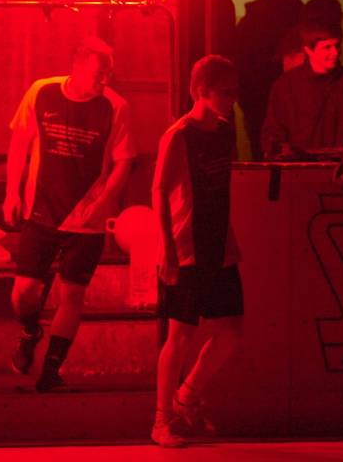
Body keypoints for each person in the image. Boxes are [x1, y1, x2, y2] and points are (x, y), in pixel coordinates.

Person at [2, 36, 136, 392]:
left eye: (108, 73)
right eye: (98, 73)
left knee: (73, 293)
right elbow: (19, 143)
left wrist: (106, 199)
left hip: (87, 218)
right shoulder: (41, 92)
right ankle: (30, 331)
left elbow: (124, 161)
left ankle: (51, 369)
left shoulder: (115, 106)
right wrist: (11, 192)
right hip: (41, 208)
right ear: (76, 67)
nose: (104, 80)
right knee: (24, 291)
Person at [151, 55, 243, 447]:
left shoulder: (225, 130)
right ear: (201, 91)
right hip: (188, 245)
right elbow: (157, 189)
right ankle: (161, 420)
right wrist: (167, 248)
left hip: (220, 244)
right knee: (180, 335)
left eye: (234, 93)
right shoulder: (178, 135)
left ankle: (186, 396)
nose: (232, 100)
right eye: (225, 93)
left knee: (232, 330)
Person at [261, 19, 343, 159]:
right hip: (297, 171)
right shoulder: (285, 85)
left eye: (337, 46)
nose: (335, 53)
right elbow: (273, 129)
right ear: (308, 50)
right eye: (327, 47)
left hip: (340, 171)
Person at [235, 0, 303, 160]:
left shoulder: (300, 17)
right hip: (260, 97)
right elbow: (242, 62)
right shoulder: (252, 22)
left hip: (289, 98)